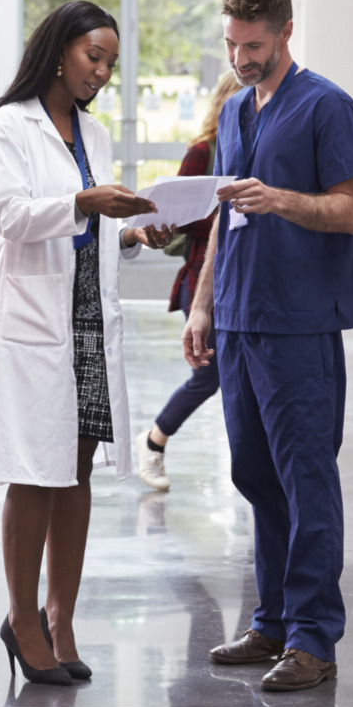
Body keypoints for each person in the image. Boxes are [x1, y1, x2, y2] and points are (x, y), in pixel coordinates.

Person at [0, 0, 166, 687]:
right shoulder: (8, 126)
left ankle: (61, 615)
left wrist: (136, 230)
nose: (102, 72)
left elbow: (95, 224)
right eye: (94, 57)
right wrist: (85, 205)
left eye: (110, 61)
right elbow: (8, 216)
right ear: (58, 52)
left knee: (76, 469)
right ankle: (22, 618)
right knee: (34, 468)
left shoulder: (96, 132)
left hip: (86, 315)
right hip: (34, 317)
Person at [182, 0, 353, 692]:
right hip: (236, 316)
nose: (240, 58)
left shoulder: (327, 106)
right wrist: (203, 305)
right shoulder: (233, 111)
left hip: (297, 321)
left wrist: (283, 200)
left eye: (253, 45)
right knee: (254, 474)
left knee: (306, 478)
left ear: (285, 31)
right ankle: (272, 619)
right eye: (231, 44)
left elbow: (350, 210)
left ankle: (313, 636)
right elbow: (226, 218)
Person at [138, 69, 243, 492]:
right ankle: (154, 440)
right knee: (209, 374)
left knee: (229, 375)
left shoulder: (253, 146)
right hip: (202, 276)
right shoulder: (204, 150)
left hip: (240, 282)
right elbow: (173, 211)